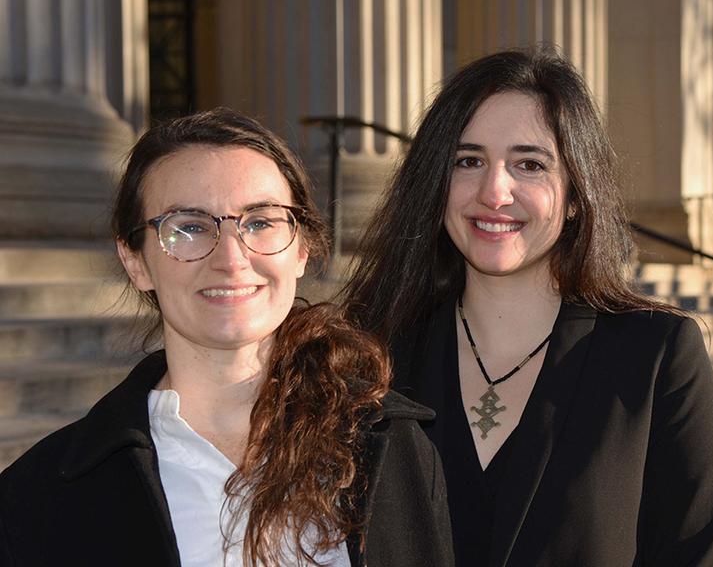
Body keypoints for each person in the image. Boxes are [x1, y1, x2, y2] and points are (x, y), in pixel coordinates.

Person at [342, 47, 713, 566]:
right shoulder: (369, 356)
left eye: (529, 164)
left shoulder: (655, 358)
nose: (494, 191)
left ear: (577, 193)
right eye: (468, 161)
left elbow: (706, 555)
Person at [0, 108, 453, 567]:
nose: (231, 258)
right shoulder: (41, 496)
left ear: (302, 248)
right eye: (190, 227)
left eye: (260, 222)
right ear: (135, 261)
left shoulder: (394, 446)